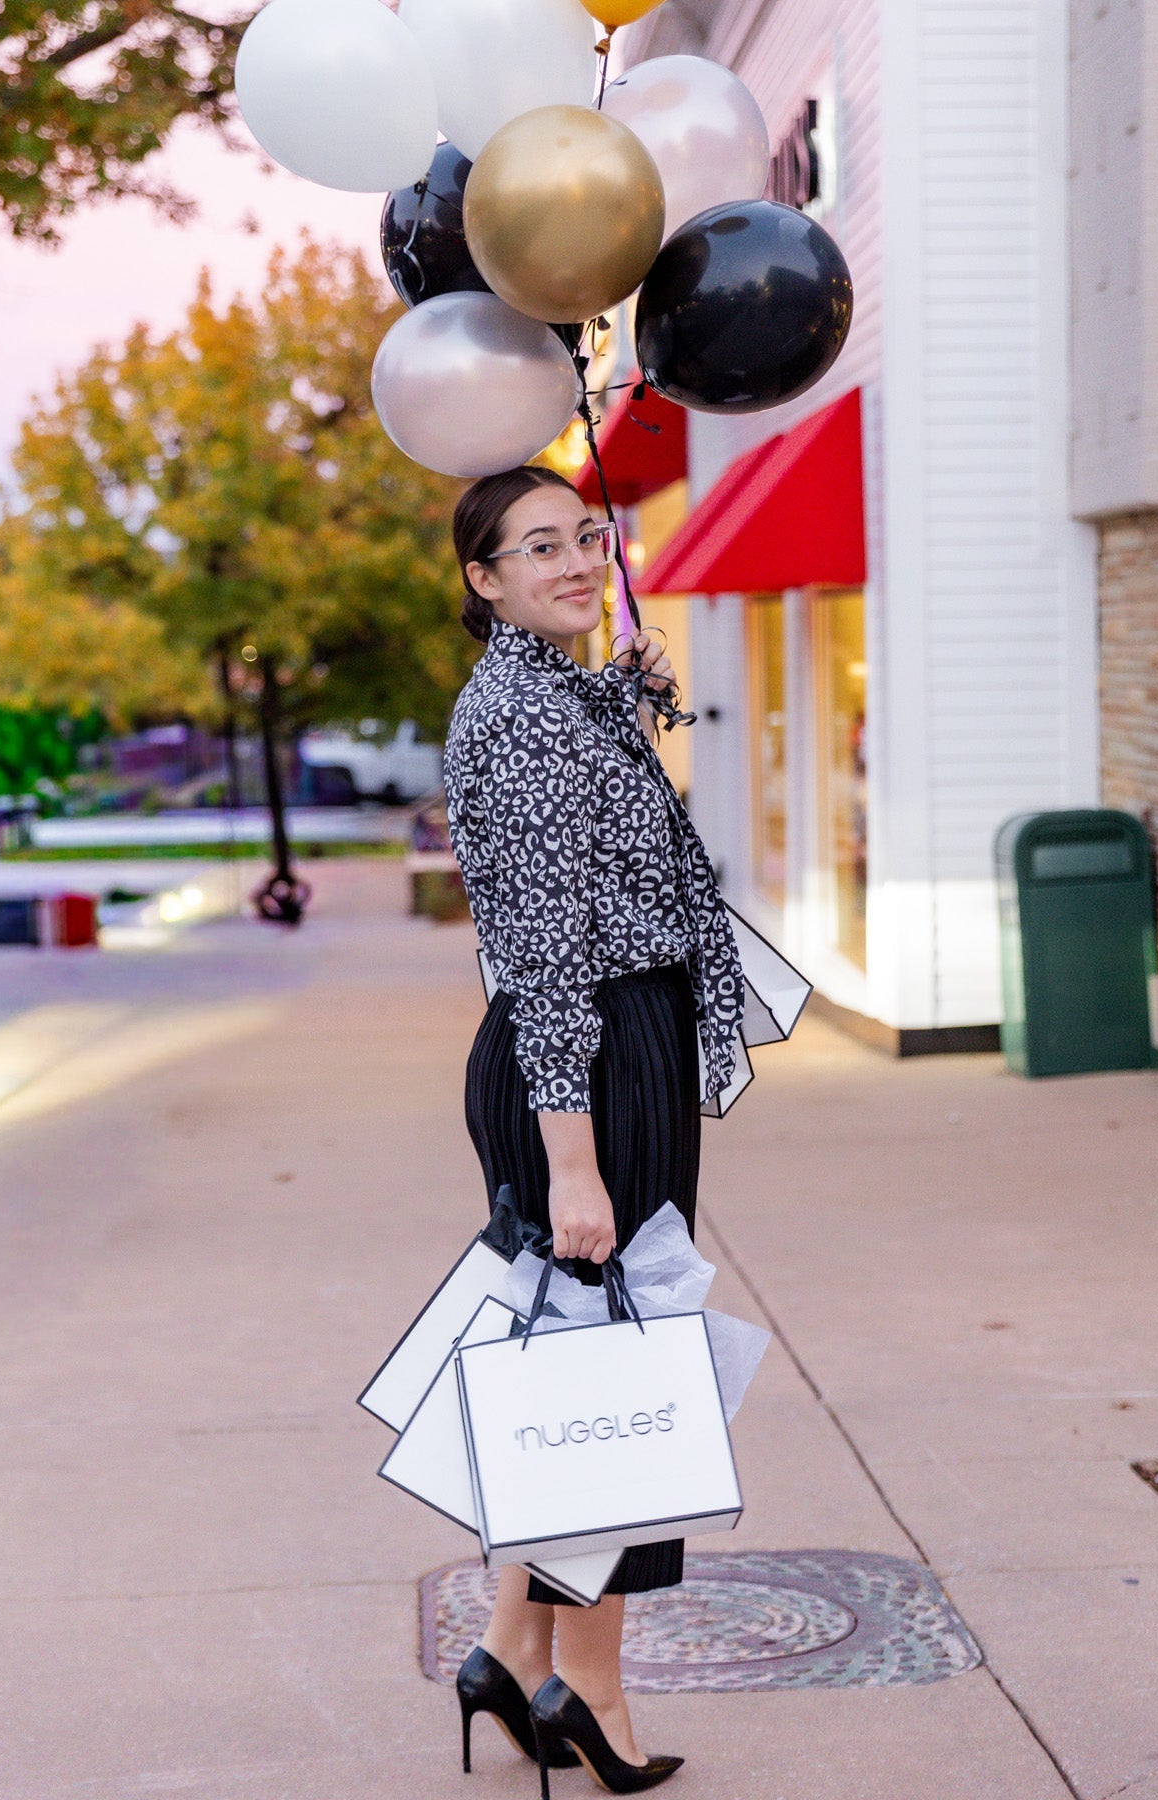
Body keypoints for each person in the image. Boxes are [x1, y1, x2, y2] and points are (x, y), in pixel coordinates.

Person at [442, 465, 743, 1793]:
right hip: (587, 1056)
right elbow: (541, 949)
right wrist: (575, 1163)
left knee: (568, 1369)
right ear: (482, 577)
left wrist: (630, 688)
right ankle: (593, 1690)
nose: (574, 560)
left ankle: (513, 1647)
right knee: (606, 1384)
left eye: (587, 536)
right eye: (537, 546)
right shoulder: (521, 715)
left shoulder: (553, 691)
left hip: (611, 1046)